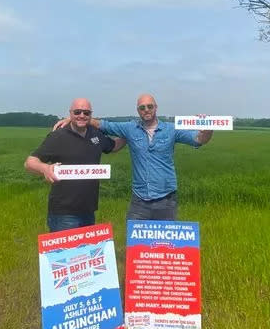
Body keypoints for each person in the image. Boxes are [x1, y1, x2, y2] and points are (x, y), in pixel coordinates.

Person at [56, 93, 213, 221]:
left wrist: (207, 130)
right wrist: (74, 118)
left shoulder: (171, 129)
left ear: (156, 107)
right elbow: (103, 124)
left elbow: (198, 139)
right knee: (135, 245)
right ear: (138, 110)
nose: (146, 110)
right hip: (139, 201)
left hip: (166, 199)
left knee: (165, 246)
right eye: (142, 107)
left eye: (149, 106)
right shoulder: (130, 128)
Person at [25, 98, 125, 232]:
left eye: (86, 113)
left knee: (85, 252)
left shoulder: (95, 134)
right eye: (77, 112)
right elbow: (30, 162)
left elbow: (113, 146)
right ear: (70, 113)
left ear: (91, 115)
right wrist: (46, 168)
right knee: (65, 252)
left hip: (88, 210)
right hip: (64, 214)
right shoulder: (58, 136)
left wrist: (129, 135)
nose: (82, 116)